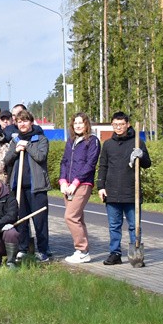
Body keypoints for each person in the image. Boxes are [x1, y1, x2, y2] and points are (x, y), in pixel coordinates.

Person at [97, 112, 151, 265]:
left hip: (131, 192)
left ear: (128, 125)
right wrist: (101, 186)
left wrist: (141, 155)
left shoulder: (137, 143)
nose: (118, 127)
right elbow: (103, 166)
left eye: (121, 124)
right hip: (112, 192)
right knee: (114, 226)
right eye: (115, 124)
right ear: (112, 125)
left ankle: (136, 253)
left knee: (134, 226)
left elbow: (147, 164)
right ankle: (115, 254)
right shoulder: (108, 144)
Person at [2, 109, 51, 262]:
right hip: (18, 187)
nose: (22, 124)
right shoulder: (14, 141)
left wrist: (28, 146)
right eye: (19, 121)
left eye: (25, 121)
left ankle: (43, 250)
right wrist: (16, 150)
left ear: (31, 122)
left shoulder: (40, 139)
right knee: (21, 220)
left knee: (40, 221)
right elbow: (6, 160)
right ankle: (22, 249)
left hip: (36, 187)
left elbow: (41, 156)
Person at [59, 112, 100, 264]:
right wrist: (63, 181)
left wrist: (76, 183)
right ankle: (82, 251)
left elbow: (90, 164)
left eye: (80, 123)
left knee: (70, 217)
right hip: (68, 186)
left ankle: (82, 250)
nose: (77, 126)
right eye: (75, 123)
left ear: (86, 124)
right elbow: (64, 162)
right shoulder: (71, 141)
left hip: (82, 184)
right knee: (77, 218)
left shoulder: (93, 141)